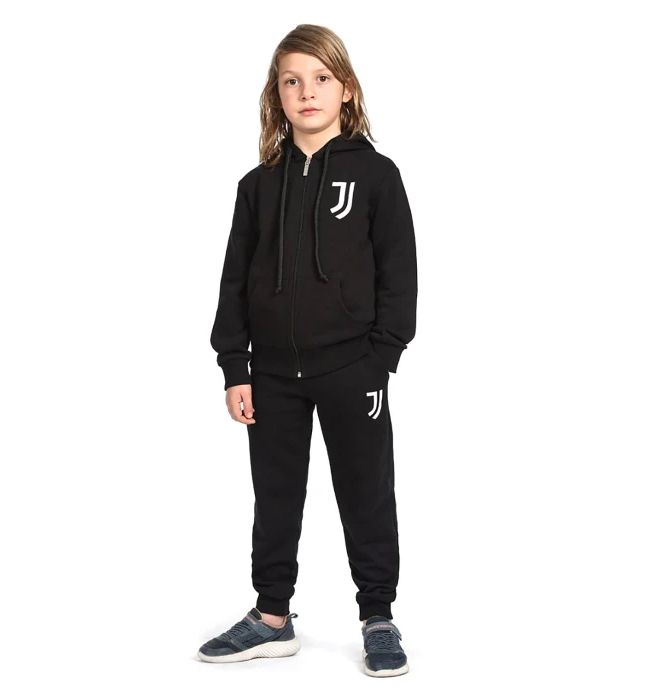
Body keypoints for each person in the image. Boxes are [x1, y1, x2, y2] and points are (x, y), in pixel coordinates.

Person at [198, 24, 417, 678]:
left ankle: (377, 616)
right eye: (292, 81)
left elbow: (399, 275)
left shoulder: (376, 176)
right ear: (277, 95)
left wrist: (381, 359)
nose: (307, 92)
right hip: (271, 375)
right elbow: (234, 282)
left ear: (346, 90)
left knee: (366, 492)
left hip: (353, 369)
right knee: (274, 497)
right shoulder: (257, 186)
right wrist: (235, 367)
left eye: (321, 78)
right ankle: (272, 618)